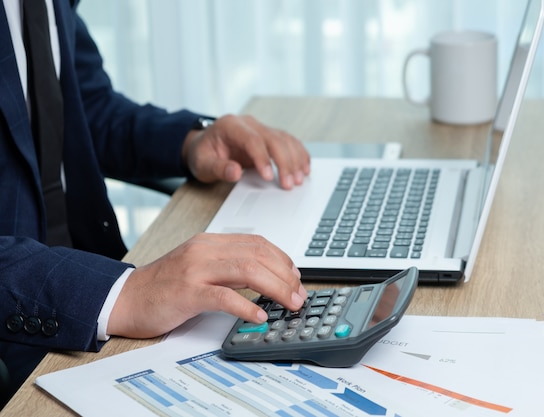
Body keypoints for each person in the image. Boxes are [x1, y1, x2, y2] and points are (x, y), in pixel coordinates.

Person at [0, 0, 311, 408]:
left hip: (95, 287)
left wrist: (191, 142)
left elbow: (76, 105)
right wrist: (122, 291)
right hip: (21, 327)